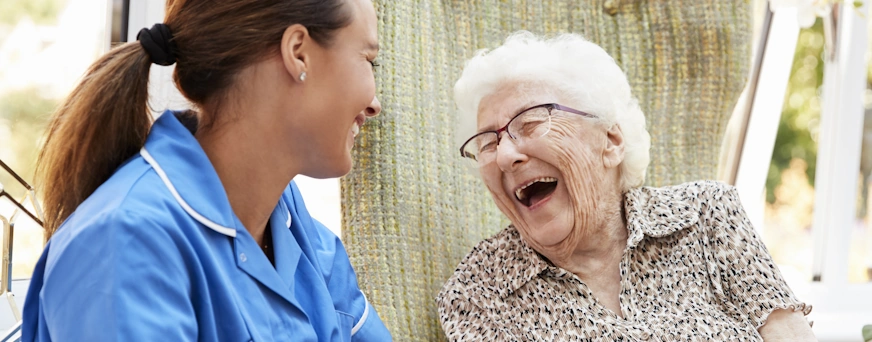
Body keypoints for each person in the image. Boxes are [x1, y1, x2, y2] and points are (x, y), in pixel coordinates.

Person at [22, 0, 391, 340]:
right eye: (368, 60)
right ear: (299, 53)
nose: (375, 105)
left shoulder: (292, 227)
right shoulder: (123, 243)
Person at [436, 32, 816, 341]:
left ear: (611, 142)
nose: (504, 156)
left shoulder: (706, 213)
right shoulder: (478, 292)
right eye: (488, 141)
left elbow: (789, 335)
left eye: (531, 122)